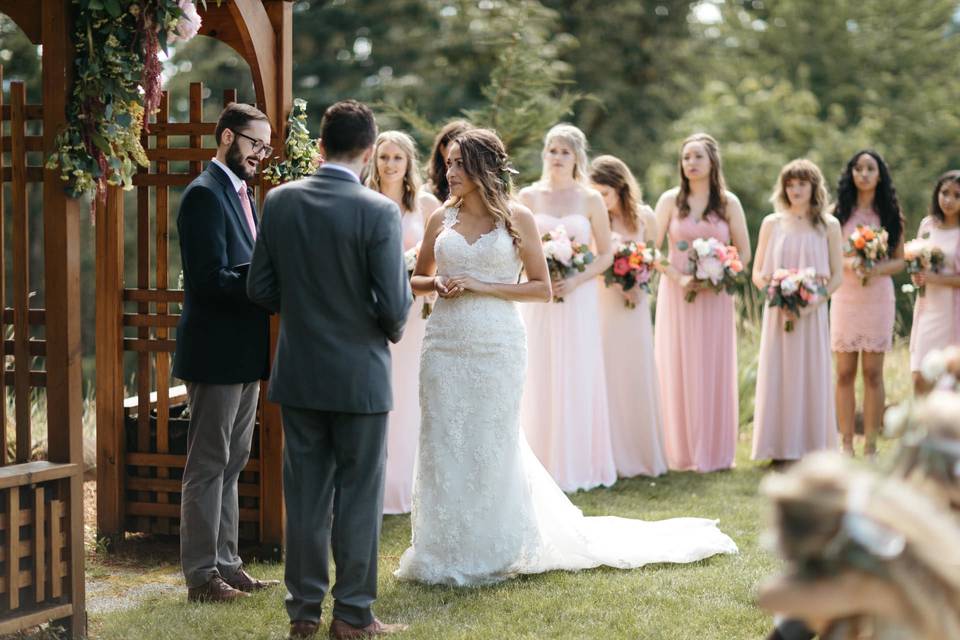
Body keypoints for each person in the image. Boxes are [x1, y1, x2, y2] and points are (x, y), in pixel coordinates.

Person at [395, 128, 737, 587]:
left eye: (459, 164)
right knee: (443, 438)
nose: (449, 172)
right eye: (449, 163)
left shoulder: (517, 218)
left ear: (481, 169)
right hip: (444, 343)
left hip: (496, 342)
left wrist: (482, 286)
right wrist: (435, 284)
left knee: (490, 440)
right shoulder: (441, 217)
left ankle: (493, 544)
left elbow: (540, 287)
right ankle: (441, 546)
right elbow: (417, 279)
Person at [247, 100, 411, 640]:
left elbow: (259, 288)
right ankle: (354, 615)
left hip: (299, 373)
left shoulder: (281, 201)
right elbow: (393, 306)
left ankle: (303, 615)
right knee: (359, 497)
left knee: (306, 497)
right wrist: (381, 324)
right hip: (360, 377)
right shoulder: (379, 211)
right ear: (368, 153)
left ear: (320, 146)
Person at [174, 102, 279, 603]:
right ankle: (200, 576)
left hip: (243, 350)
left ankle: (228, 563)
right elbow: (210, 280)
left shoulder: (243, 194)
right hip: (214, 351)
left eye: (266, 145)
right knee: (208, 463)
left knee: (234, 461)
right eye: (255, 143)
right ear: (226, 138)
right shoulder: (203, 196)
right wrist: (271, 284)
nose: (262, 153)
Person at [518, 124, 617, 492]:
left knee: (576, 371)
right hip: (540, 300)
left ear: (577, 157)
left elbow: (606, 254)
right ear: (544, 154)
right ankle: (538, 461)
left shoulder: (590, 199)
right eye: (552, 150)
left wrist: (576, 279)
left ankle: (577, 462)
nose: (557, 157)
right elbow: (516, 246)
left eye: (564, 151)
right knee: (539, 370)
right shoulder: (528, 196)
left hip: (577, 299)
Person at [653, 133, 752, 472]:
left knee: (712, 365)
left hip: (715, 297)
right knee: (677, 363)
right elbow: (651, 252)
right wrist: (679, 277)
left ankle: (714, 452)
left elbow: (745, 252)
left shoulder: (728, 203)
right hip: (677, 294)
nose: (691, 163)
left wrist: (719, 272)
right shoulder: (670, 201)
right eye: (686, 158)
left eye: (697, 157)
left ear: (712, 162)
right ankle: (679, 452)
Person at [365, 130, 441, 514]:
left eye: (397, 157)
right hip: (373, 310)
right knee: (382, 391)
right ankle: (379, 481)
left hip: (416, 313)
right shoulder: (366, 200)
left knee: (412, 391)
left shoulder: (425, 203)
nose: (390, 164)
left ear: (409, 161)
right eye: (383, 157)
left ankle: (412, 481)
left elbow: (442, 253)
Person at [751, 159, 843, 462]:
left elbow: (837, 276)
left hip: (812, 314)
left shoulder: (828, 226)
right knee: (779, 373)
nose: (795, 190)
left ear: (814, 187)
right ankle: (778, 447)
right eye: (790, 184)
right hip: (778, 313)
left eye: (801, 184)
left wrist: (811, 303)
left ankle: (813, 448)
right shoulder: (771, 223)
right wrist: (776, 292)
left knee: (811, 373)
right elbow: (757, 273)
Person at [589, 155, 668, 478]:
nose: (601, 200)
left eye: (605, 193)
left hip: (635, 304)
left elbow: (651, 256)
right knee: (607, 371)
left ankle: (640, 452)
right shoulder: (597, 217)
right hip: (604, 301)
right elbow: (593, 260)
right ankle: (608, 455)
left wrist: (637, 282)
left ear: (620, 187)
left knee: (635, 371)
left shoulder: (645, 216)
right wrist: (616, 282)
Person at [830, 150, 905, 456]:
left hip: (877, 296)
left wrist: (875, 268)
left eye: (869, 168)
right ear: (851, 174)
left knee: (873, 372)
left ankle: (871, 444)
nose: (863, 174)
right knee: (844, 372)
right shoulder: (838, 214)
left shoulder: (890, 215)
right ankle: (846, 443)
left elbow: (899, 261)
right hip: (845, 295)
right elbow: (830, 255)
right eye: (857, 168)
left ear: (879, 175)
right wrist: (851, 265)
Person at [909, 170, 960, 394]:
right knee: (919, 375)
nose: (949, 200)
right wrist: (917, 275)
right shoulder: (928, 225)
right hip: (927, 308)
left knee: (948, 378)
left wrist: (936, 278)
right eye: (944, 192)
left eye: (957, 195)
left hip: (952, 312)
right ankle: (921, 427)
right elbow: (916, 263)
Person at [425, 119, 472, 202]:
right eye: (454, 145)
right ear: (442, 149)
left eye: (465, 148)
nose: (459, 152)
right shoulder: (426, 194)